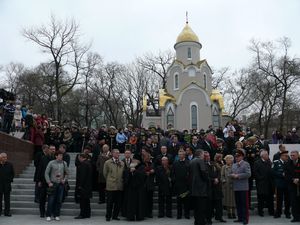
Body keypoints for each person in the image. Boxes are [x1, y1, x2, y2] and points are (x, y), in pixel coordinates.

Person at [44, 151, 69, 221]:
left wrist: (65, 179)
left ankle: (56, 215)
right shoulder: (51, 163)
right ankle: (48, 215)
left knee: (59, 200)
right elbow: (46, 173)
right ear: (56, 156)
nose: (61, 157)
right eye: (60, 155)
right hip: (53, 184)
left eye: (62, 155)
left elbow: (67, 173)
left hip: (61, 184)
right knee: (51, 200)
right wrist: (49, 182)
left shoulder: (64, 163)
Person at [103, 149, 125, 221]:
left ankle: (115, 216)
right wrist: (110, 180)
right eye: (116, 153)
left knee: (118, 203)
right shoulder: (107, 162)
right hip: (111, 186)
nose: (118, 154)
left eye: (118, 153)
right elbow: (105, 173)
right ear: (112, 154)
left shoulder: (122, 163)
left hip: (119, 186)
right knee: (109, 202)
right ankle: (108, 216)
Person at [231, 149, 251, 225]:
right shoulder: (234, 164)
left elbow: (248, 174)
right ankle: (240, 217)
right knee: (238, 203)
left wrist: (238, 176)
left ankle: (245, 219)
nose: (236, 158)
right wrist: (232, 175)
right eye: (236, 156)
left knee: (244, 204)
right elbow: (230, 173)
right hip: (236, 187)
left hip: (243, 187)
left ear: (242, 157)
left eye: (238, 156)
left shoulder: (246, 164)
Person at [123, 154, 146, 221]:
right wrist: (130, 172)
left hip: (139, 189)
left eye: (135, 160)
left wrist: (135, 171)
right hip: (131, 188)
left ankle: (139, 216)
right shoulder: (129, 167)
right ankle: (130, 216)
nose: (133, 161)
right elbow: (126, 175)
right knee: (130, 203)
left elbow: (142, 176)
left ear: (138, 161)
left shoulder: (142, 167)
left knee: (139, 203)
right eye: (133, 160)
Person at [189, 149, 209, 225]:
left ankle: (197, 221)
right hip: (201, 188)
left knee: (196, 208)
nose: (204, 156)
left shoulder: (191, 161)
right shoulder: (200, 161)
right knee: (201, 207)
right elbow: (203, 172)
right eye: (203, 154)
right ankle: (201, 222)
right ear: (200, 154)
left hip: (193, 188)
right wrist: (207, 179)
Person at [253, 150, 274, 217]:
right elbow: (255, 173)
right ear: (263, 155)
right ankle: (260, 212)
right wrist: (261, 178)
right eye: (267, 154)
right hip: (261, 184)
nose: (268, 156)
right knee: (261, 199)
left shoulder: (269, 162)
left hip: (269, 183)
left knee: (270, 198)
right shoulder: (257, 162)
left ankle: (271, 211)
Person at [171, 149, 190, 219]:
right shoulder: (175, 163)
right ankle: (179, 215)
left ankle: (187, 215)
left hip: (186, 185)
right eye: (179, 155)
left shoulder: (188, 163)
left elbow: (190, 173)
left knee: (186, 201)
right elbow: (172, 173)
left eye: (181, 154)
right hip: (178, 185)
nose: (180, 156)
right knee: (179, 201)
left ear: (184, 155)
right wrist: (174, 180)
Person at [272, 150, 291, 219]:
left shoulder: (289, 162)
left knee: (287, 199)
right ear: (281, 156)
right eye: (286, 156)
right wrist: (281, 174)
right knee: (278, 199)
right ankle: (278, 212)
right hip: (279, 184)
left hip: (287, 184)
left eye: (287, 156)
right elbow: (272, 172)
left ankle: (287, 213)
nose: (287, 157)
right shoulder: (276, 162)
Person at [74, 153, 93, 219]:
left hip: (83, 187)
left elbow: (82, 176)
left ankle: (82, 214)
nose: (78, 159)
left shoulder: (83, 164)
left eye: (79, 157)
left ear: (81, 157)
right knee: (87, 201)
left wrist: (80, 186)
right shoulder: (88, 163)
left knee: (82, 202)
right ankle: (88, 214)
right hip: (88, 186)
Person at [284, 150, 300, 222]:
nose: (292, 156)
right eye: (291, 155)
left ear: (297, 155)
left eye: (293, 155)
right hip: (292, 185)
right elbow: (286, 175)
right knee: (293, 202)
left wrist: (298, 179)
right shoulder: (288, 163)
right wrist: (293, 179)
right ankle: (295, 217)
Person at [221, 155, 236, 219]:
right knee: (228, 200)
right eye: (226, 160)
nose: (226, 161)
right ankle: (229, 213)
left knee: (233, 200)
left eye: (228, 159)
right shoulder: (224, 167)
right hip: (226, 186)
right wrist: (224, 180)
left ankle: (233, 212)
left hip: (234, 185)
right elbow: (222, 176)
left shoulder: (235, 166)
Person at [0, 153, 15, 217]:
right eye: (4, 157)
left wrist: (9, 180)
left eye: (6, 157)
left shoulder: (10, 165)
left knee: (7, 200)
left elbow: (12, 174)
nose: (5, 158)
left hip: (7, 185)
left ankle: (7, 212)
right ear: (0, 158)